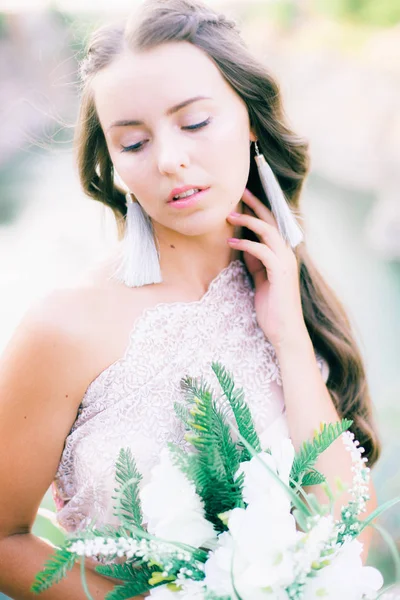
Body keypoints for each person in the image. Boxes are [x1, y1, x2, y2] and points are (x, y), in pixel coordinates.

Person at [0, 0, 382, 598]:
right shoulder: (63, 328)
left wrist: (289, 336)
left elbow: (346, 530)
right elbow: (4, 539)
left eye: (195, 123)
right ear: (114, 162)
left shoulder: (284, 284)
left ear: (251, 119)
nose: (170, 159)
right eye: (133, 143)